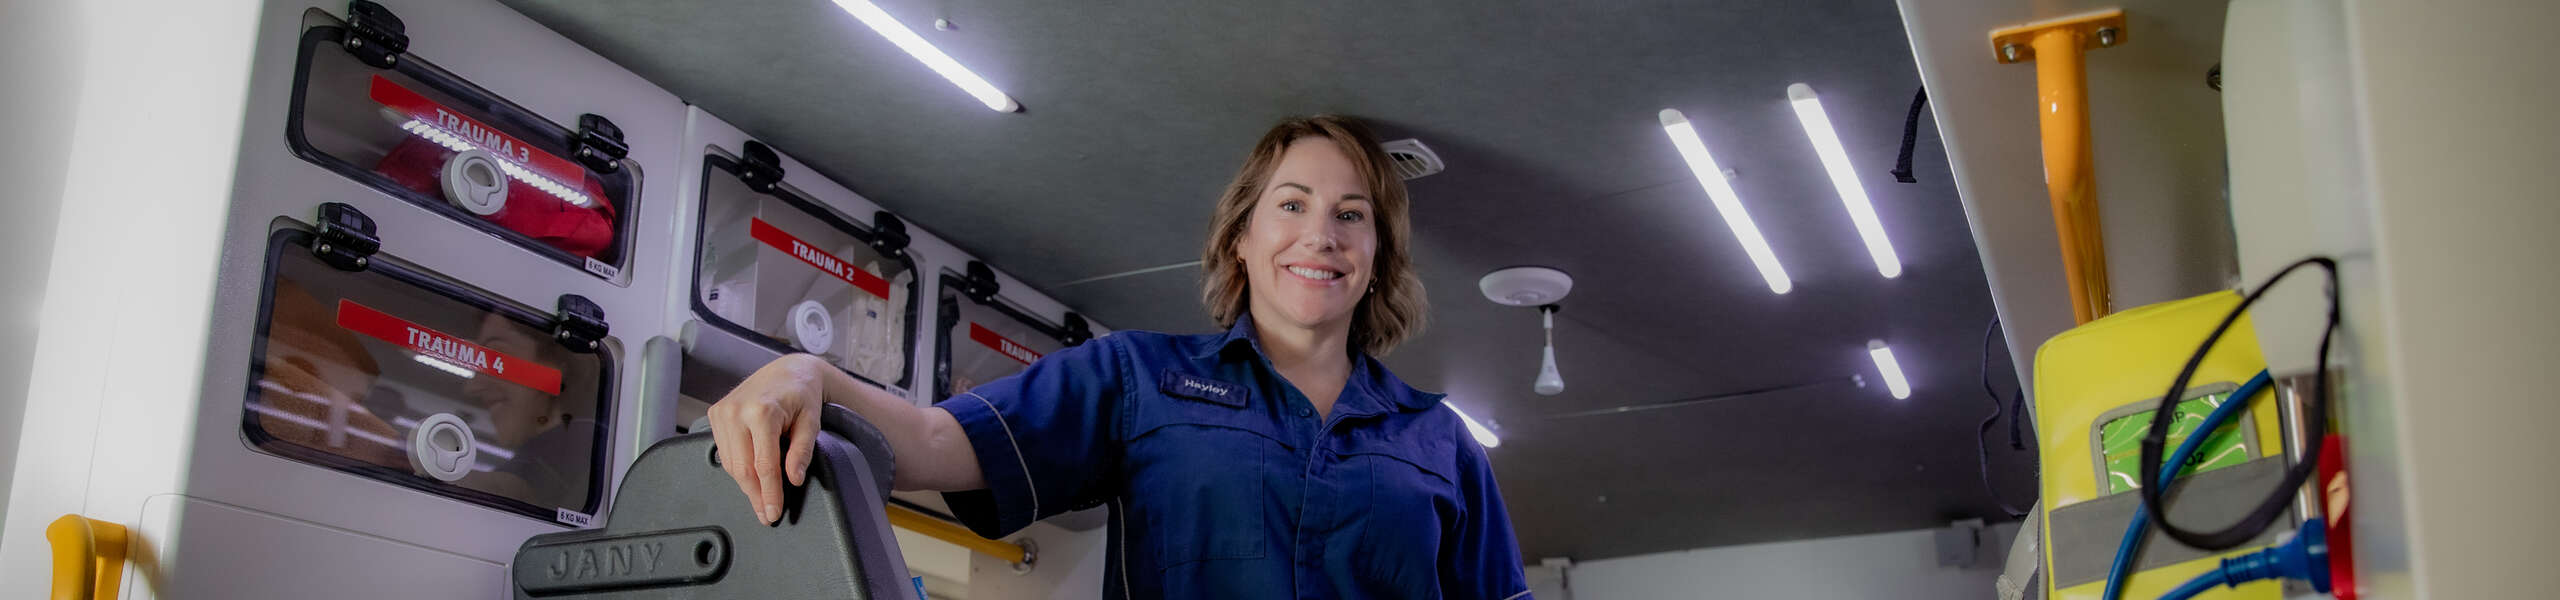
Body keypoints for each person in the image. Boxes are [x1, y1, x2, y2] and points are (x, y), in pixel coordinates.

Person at [707, 115, 1531, 598]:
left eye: (1353, 215)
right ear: (1242, 240)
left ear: (1379, 255)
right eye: (1292, 204)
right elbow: (929, 443)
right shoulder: (1138, 381)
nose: (1321, 233)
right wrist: (805, 374)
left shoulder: (1440, 444)